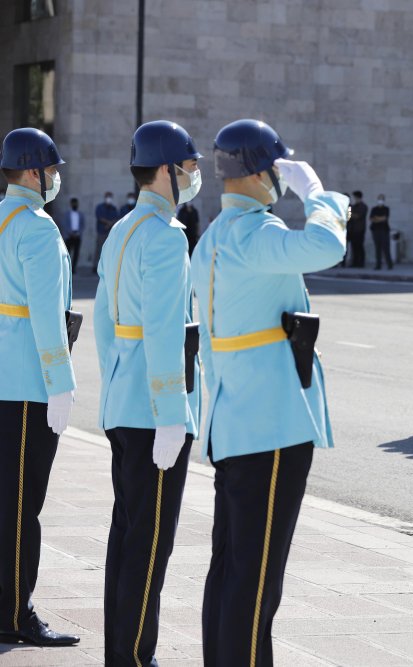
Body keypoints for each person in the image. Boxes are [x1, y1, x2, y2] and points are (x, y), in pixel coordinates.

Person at [191, 119, 348, 667]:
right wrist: (319, 194)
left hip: (238, 421)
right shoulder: (254, 233)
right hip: (271, 425)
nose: (281, 182)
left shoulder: (214, 236)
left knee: (233, 573)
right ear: (258, 173)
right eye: (276, 171)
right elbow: (326, 244)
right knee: (257, 585)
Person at [93, 120, 202, 665]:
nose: (195, 174)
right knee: (148, 546)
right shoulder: (164, 238)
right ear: (166, 170)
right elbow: (165, 334)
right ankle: (136, 656)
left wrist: (115, 387)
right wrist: (171, 413)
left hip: (123, 402)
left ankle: (123, 652)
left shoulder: (122, 230)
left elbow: (105, 327)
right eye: (189, 165)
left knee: (127, 538)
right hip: (150, 413)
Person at [0, 127, 79, 648]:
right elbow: (49, 319)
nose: (53, 179)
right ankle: (13, 614)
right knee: (22, 507)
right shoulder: (37, 228)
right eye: (51, 170)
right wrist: (62, 384)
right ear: (34, 171)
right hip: (28, 384)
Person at [94, 191, 119, 273]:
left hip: (110, 233)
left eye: (110, 197)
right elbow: (99, 217)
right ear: (105, 198)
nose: (109, 199)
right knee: (99, 250)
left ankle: (108, 267)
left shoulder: (114, 208)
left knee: (110, 250)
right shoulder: (99, 207)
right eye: (107, 197)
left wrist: (109, 224)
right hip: (101, 232)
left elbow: (116, 218)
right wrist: (108, 223)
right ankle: (95, 267)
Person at [60, 197, 84, 272]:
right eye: (73, 203)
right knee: (68, 253)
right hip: (69, 235)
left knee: (76, 253)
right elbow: (64, 224)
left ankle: (73, 269)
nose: (75, 205)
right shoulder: (67, 214)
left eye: (76, 203)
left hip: (77, 235)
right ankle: (67, 268)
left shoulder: (80, 214)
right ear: (71, 204)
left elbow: (83, 225)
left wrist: (78, 233)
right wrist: (69, 232)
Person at [369, 194, 392, 270]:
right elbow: (371, 219)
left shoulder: (386, 209)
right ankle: (378, 265)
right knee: (377, 248)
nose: (380, 200)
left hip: (384, 230)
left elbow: (384, 218)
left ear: (384, 200)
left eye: (381, 199)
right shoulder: (374, 209)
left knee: (386, 248)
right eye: (379, 199)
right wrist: (379, 218)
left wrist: (377, 218)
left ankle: (389, 264)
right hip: (375, 230)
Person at [347, 190, 367, 268]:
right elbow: (348, 217)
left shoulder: (363, 206)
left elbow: (357, 216)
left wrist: (350, 214)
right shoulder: (353, 206)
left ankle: (361, 263)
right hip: (353, 230)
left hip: (360, 230)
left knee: (359, 247)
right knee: (354, 247)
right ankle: (355, 262)